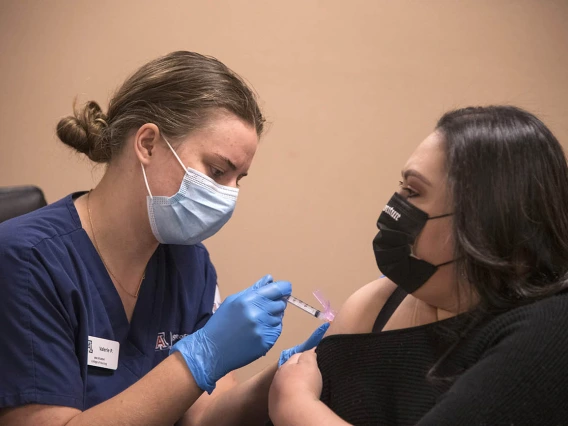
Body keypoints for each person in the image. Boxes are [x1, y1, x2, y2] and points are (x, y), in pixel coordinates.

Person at [0, 51, 322, 426]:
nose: (230, 195)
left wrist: (284, 378)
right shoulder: (27, 260)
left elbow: (204, 416)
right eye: (218, 171)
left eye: (239, 179)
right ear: (148, 144)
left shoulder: (190, 264)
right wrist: (200, 357)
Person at [268, 106, 568, 425]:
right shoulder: (380, 303)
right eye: (401, 187)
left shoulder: (550, 330)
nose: (394, 206)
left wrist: (295, 405)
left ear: (484, 223)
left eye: (413, 191)